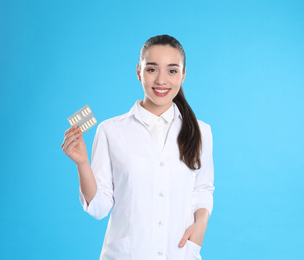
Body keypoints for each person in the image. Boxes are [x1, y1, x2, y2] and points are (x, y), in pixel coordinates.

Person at [61, 35, 214, 260]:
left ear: (183, 74)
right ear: (138, 72)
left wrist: (200, 224)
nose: (161, 80)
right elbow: (99, 208)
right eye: (152, 69)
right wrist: (82, 163)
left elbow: (202, 190)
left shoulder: (201, 132)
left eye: (172, 71)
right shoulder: (111, 130)